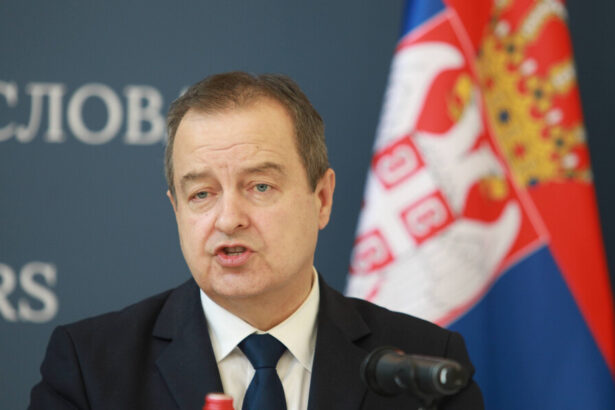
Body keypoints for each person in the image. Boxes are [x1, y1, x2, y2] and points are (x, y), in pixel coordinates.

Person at [29, 72, 484, 410]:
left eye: (260, 187)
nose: (229, 219)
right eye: (201, 194)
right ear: (176, 210)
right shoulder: (89, 367)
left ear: (322, 199)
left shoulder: (423, 366)